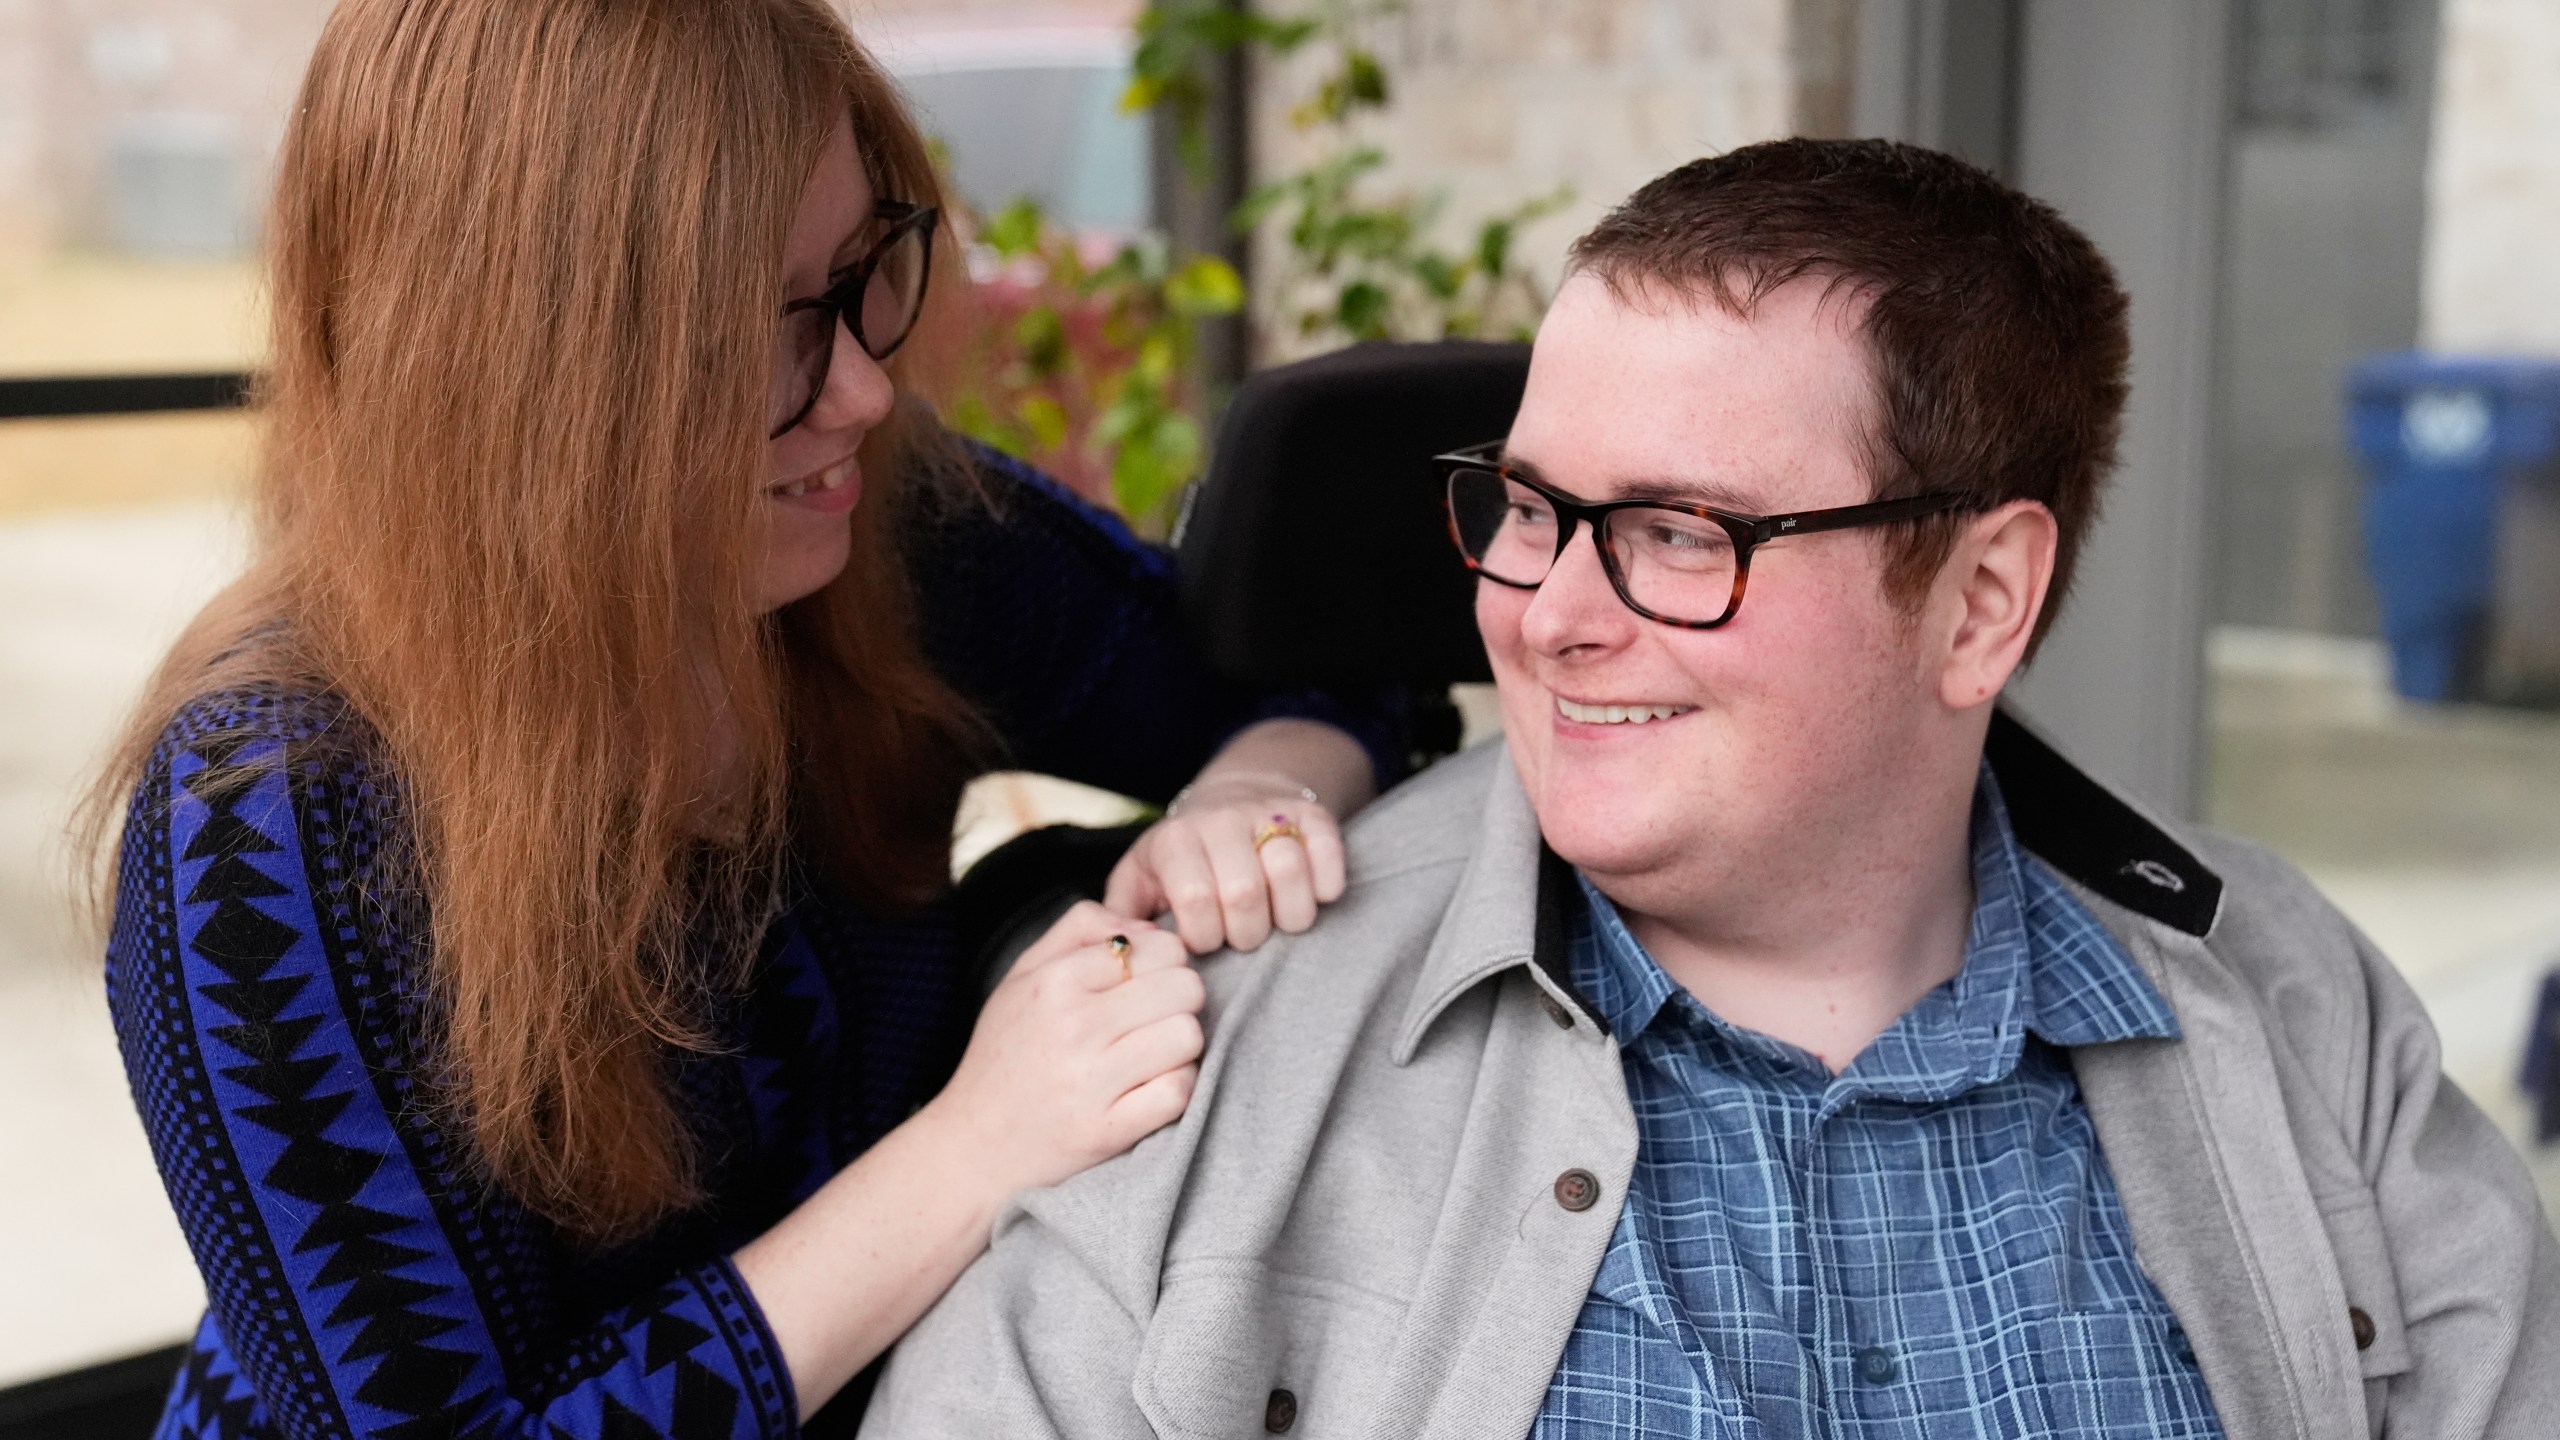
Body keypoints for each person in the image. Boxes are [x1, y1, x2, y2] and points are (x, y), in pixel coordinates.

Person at [864, 140, 2560, 1439]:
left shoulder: (2298, 1009)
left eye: (1679, 534)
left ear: (1982, 602)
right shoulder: (1218, 1041)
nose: (1549, 615)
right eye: (1531, 509)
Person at [86, 1, 1402, 1436]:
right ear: (513, 376)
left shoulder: (878, 534)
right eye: (763, 327)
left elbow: (1325, 673)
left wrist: (1252, 793)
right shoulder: (261, 828)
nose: (864, 388)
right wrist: (974, 1145)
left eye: (857, 275)